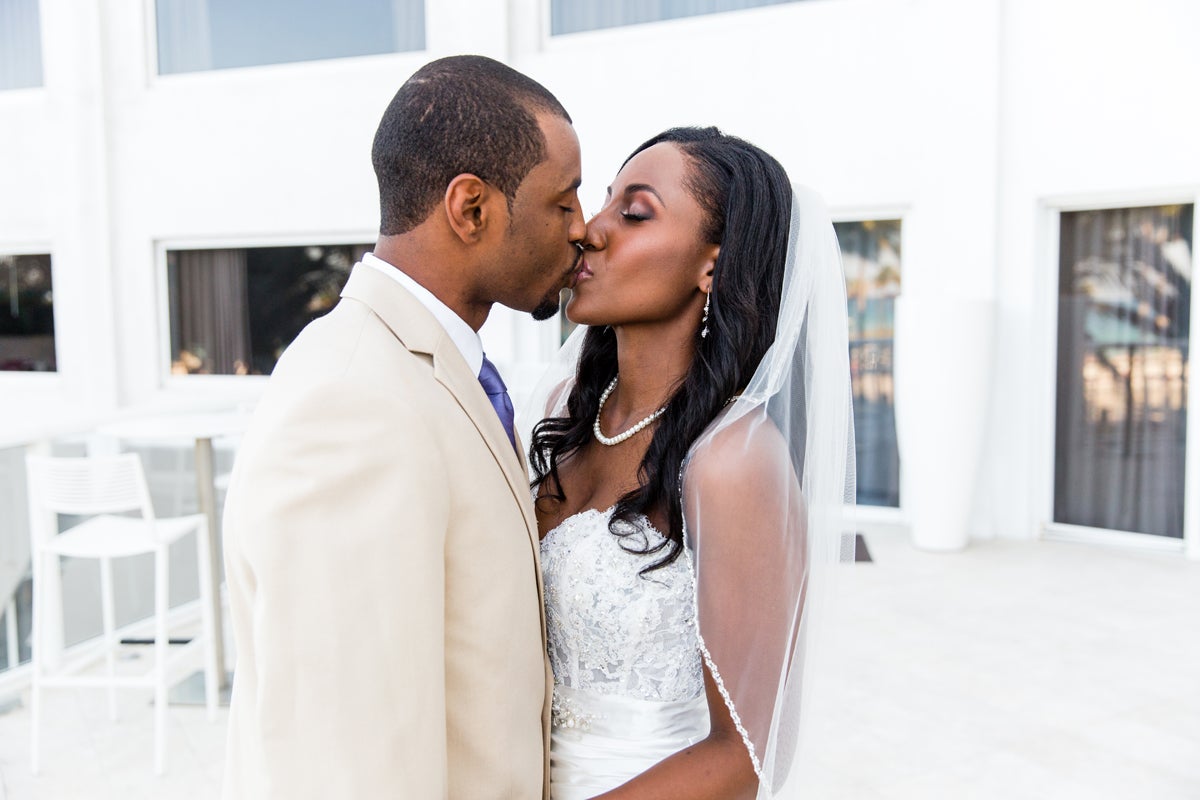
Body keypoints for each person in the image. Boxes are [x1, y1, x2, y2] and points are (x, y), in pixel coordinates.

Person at [221, 55, 585, 798]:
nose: (583, 228)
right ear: (471, 208)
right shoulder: (353, 399)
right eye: (564, 200)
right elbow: (347, 762)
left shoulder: (430, 368)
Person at [526, 128, 855, 799]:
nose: (589, 230)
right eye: (604, 202)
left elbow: (746, 757)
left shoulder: (732, 460)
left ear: (713, 266)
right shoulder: (563, 413)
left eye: (633, 212)